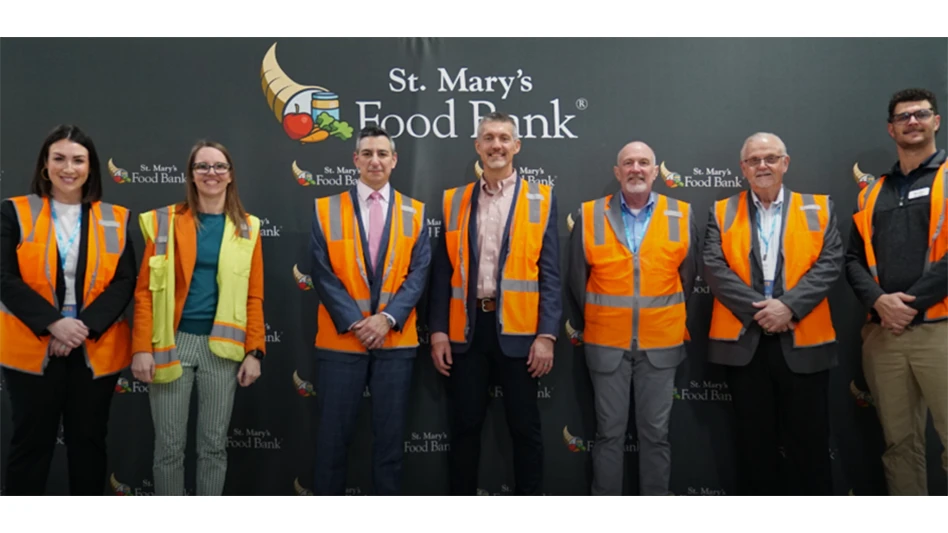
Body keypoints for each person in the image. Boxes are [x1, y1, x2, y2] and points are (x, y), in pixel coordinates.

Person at [428, 112, 562, 495]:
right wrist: (438, 330)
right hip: (467, 333)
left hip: (521, 335)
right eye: (488, 138)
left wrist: (548, 335)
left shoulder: (542, 198)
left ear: (516, 146)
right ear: (477, 146)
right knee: (465, 428)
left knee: (525, 429)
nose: (496, 145)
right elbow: (443, 272)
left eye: (504, 138)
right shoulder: (455, 200)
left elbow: (550, 273)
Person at [703, 132, 843, 495]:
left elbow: (830, 264)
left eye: (770, 158)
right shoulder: (721, 211)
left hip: (803, 345)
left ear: (785, 163)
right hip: (746, 345)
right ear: (743, 168)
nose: (762, 165)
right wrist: (761, 312)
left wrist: (789, 307)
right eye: (753, 160)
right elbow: (715, 269)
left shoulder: (819, 207)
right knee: (753, 448)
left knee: (810, 447)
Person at [0, 124, 136, 495]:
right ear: (45, 165)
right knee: (30, 446)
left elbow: (125, 281)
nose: (68, 168)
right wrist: (54, 324)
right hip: (31, 346)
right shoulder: (15, 211)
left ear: (90, 168)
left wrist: (83, 328)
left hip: (94, 347)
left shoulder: (117, 217)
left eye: (78, 160)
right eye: (59, 158)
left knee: (88, 444)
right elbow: (5, 278)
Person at [130, 140, 265, 496]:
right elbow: (144, 292)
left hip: (223, 350)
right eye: (202, 166)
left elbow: (254, 295)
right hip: (171, 345)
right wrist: (141, 346)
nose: (211, 173)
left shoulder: (248, 227)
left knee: (213, 447)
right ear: (191, 175)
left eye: (219, 166)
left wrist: (255, 351)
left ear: (230, 174)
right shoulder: (165, 221)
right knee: (169, 449)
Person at [566, 141, 698, 495]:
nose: (635, 169)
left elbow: (688, 278)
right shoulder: (591, 214)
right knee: (608, 434)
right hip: (607, 345)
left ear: (655, 171)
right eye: (628, 163)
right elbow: (578, 281)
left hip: (661, 345)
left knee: (656, 435)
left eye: (644, 163)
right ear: (617, 172)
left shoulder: (681, 213)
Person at [309, 126, 430, 495]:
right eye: (367, 153)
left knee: (390, 447)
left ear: (394, 160)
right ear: (355, 160)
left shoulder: (417, 212)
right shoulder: (325, 207)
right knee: (331, 445)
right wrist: (357, 323)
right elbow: (321, 271)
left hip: (395, 344)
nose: (374, 160)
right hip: (341, 344)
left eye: (382, 153)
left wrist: (386, 319)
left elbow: (419, 273)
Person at [846, 88, 946, 495]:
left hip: (939, 331)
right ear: (891, 129)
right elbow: (852, 260)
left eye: (920, 114)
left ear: (935, 121)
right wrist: (879, 302)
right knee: (899, 446)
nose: (912, 122)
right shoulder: (872, 192)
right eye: (903, 117)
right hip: (885, 335)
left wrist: (911, 303)